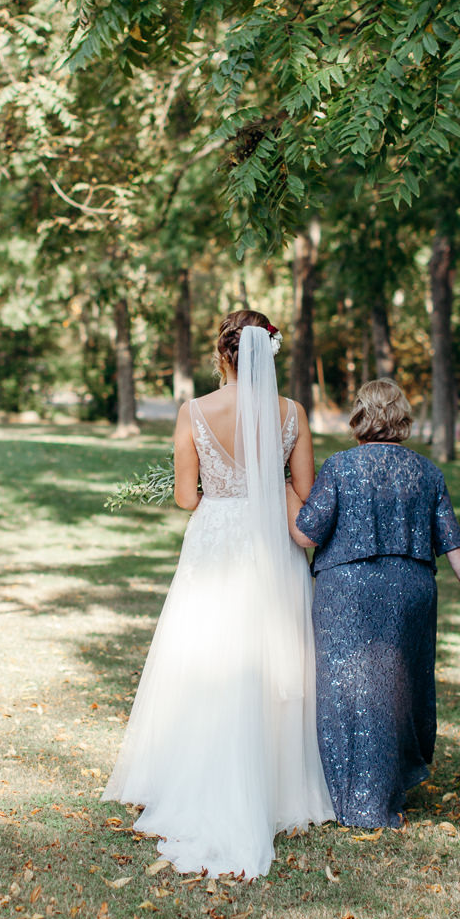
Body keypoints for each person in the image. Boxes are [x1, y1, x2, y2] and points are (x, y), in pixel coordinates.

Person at [103, 310, 333, 877]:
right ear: (268, 351)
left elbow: (186, 496)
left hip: (216, 539)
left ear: (223, 354)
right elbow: (303, 492)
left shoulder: (193, 412)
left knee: (205, 652)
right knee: (269, 655)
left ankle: (193, 780)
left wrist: (222, 484)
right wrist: (266, 481)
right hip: (271, 546)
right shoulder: (291, 413)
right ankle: (279, 792)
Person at [286, 379, 460, 829]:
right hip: (411, 588)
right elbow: (452, 541)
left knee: (347, 690)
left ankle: (354, 796)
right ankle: (387, 791)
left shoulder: (340, 467)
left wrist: (282, 489)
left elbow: (304, 533)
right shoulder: (428, 472)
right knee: (400, 689)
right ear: (402, 417)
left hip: (349, 590)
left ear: (359, 416)